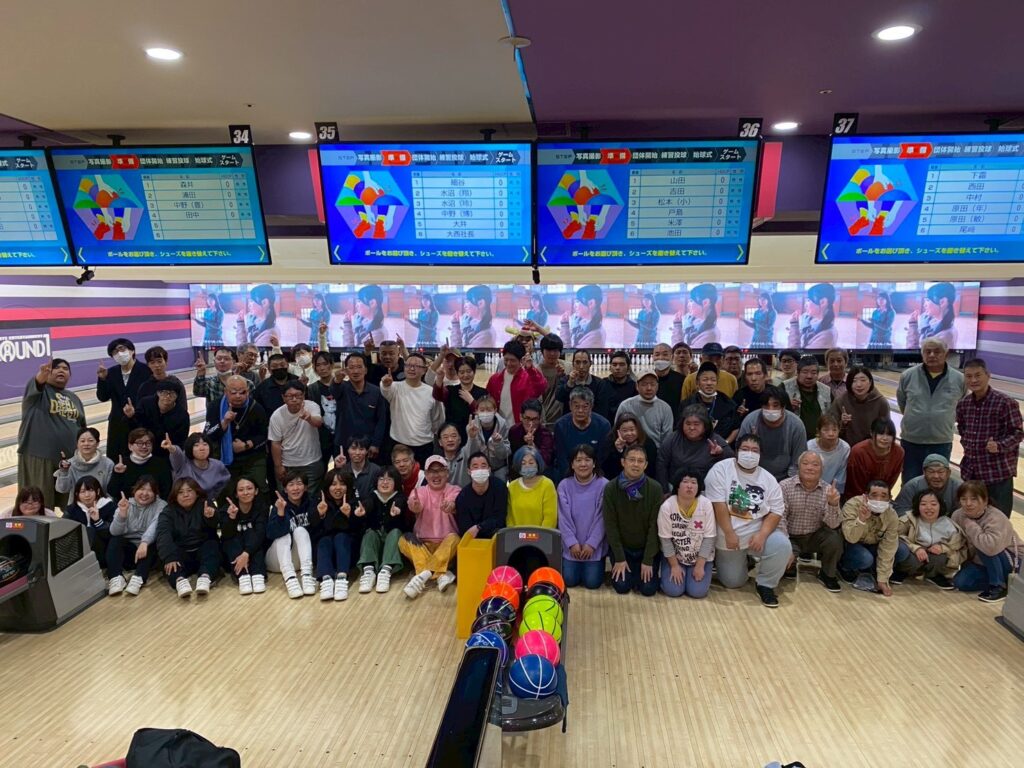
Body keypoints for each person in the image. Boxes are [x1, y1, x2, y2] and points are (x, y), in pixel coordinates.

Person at [706, 435, 789, 607]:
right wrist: (729, 533)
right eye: (745, 449)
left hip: (756, 534)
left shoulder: (768, 479)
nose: (749, 454)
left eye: (754, 450)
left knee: (782, 545)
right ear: (736, 451)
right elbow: (718, 504)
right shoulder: (720, 469)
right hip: (728, 538)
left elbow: (776, 511)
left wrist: (762, 535)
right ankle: (744, 561)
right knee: (733, 582)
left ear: (760, 454)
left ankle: (765, 584)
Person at [956, 358, 1023, 517]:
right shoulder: (964, 404)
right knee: (971, 517)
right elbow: (962, 429)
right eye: (969, 376)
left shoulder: (1005, 403)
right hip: (971, 472)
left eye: (978, 375)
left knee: (998, 520)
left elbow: (1018, 433)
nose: (973, 380)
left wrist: (999, 445)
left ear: (988, 375)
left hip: (997, 473)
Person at [18, 359, 86, 510]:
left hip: (69, 461)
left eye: (65, 368)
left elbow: (82, 428)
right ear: (48, 372)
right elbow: (37, 383)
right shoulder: (37, 394)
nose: (61, 370)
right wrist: (41, 376)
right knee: (40, 506)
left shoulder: (74, 398)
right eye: (56, 368)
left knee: (71, 506)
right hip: (40, 458)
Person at [897, 337, 966, 481]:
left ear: (946, 354)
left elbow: (964, 408)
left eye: (937, 351)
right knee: (910, 482)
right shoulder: (908, 376)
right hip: (911, 441)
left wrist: (945, 421)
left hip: (941, 442)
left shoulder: (959, 379)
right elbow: (902, 402)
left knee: (937, 483)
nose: (932, 355)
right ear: (922, 354)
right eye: (928, 352)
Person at [603, 445, 662, 597]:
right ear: (623, 462)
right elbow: (611, 526)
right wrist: (620, 558)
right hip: (623, 549)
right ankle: (632, 574)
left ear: (646, 465)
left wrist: (648, 560)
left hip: (646, 549)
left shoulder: (655, 488)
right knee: (622, 587)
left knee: (648, 589)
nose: (636, 464)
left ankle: (639, 574)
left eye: (640, 461)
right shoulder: (611, 488)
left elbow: (654, 527)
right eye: (632, 460)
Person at [779, 452, 844, 592]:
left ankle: (827, 574)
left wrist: (833, 504)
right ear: (798, 466)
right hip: (790, 536)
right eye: (805, 463)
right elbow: (780, 518)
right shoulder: (784, 486)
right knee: (782, 568)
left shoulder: (829, 490)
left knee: (834, 538)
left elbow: (833, 525)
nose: (810, 467)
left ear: (822, 469)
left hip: (815, 536)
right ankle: (791, 565)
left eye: (815, 464)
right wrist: (785, 544)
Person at [399, 455, 461, 598]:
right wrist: (415, 506)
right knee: (403, 540)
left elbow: (453, 502)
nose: (436, 475)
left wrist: (450, 506)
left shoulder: (455, 490)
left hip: (446, 545)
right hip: (423, 545)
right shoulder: (419, 491)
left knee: (455, 539)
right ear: (426, 475)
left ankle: (423, 575)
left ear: (447, 473)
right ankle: (439, 573)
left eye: (440, 470)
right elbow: (415, 504)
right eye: (432, 471)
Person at [951, 481, 1023, 602]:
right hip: (982, 561)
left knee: (984, 544)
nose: (968, 503)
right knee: (961, 582)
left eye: (974, 499)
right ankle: (1007, 581)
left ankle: (998, 586)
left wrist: (970, 524)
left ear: (985, 501)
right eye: (963, 499)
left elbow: (990, 548)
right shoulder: (957, 515)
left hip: (1013, 561)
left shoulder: (996, 517)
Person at [155, 478, 221, 598]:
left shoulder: (205, 504)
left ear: (197, 492)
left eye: (189, 491)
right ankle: (180, 581)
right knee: (169, 560)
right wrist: (169, 557)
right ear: (175, 496)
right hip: (181, 550)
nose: (185, 495)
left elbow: (215, 525)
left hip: (203, 547)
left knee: (212, 547)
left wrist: (211, 517)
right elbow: (163, 534)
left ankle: (205, 578)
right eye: (180, 492)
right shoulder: (168, 511)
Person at [204, 375, 269, 494]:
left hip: (252, 457)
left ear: (248, 392)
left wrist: (246, 445)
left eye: (242, 392)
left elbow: (264, 435)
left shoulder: (256, 408)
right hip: (224, 460)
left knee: (259, 491)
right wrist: (224, 422)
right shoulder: (215, 406)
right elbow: (208, 435)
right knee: (226, 494)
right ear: (226, 392)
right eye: (233, 392)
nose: (238, 396)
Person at [658, 468, 716, 599]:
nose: (689, 486)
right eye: (685, 482)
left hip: (700, 558)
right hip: (675, 557)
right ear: (677, 486)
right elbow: (665, 540)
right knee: (673, 591)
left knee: (697, 592)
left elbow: (709, 538)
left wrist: (700, 566)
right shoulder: (667, 506)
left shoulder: (706, 504)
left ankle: (695, 573)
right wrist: (674, 566)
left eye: (694, 482)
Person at [557, 445, 608, 589]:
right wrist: (571, 543)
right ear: (572, 464)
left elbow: (602, 519)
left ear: (594, 463)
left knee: (592, 582)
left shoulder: (604, 485)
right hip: (571, 547)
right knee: (569, 580)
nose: (583, 464)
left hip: (594, 547)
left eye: (587, 460)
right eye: (578, 460)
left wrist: (592, 544)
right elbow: (563, 518)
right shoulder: (564, 485)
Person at [892, 490, 965, 590]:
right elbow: (896, 535)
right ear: (917, 505)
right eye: (923, 504)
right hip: (913, 555)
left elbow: (958, 542)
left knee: (941, 558)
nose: (929, 507)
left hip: (934, 556)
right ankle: (902, 572)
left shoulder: (948, 523)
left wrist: (942, 548)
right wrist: (916, 548)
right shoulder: (909, 519)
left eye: (933, 504)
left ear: (940, 505)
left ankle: (934, 575)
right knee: (910, 558)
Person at [105, 476, 165, 596]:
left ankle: (138, 578)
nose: (145, 493)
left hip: (148, 552)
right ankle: (116, 577)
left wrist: (144, 542)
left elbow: (155, 526)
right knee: (115, 540)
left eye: (150, 490)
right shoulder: (125, 503)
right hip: (130, 551)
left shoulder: (161, 505)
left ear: (155, 493)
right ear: (134, 490)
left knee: (153, 543)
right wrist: (122, 514)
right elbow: (114, 532)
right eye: (141, 489)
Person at [839, 480, 899, 596]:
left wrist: (882, 580)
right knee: (865, 558)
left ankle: (873, 573)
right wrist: (861, 520)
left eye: (883, 496)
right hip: (850, 544)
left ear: (890, 499)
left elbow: (888, 548)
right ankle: (843, 568)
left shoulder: (891, 515)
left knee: (900, 550)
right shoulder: (853, 505)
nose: (879, 500)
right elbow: (850, 538)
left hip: (872, 544)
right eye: (874, 495)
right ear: (866, 496)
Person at [265, 471, 319, 599]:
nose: (295, 488)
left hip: (299, 560)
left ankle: (307, 576)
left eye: (299, 484)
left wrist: (319, 515)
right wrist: (280, 513)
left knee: (300, 531)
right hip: (276, 560)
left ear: (305, 487)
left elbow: (317, 532)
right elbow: (271, 534)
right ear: (285, 489)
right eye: (291, 484)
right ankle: (290, 579)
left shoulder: (312, 502)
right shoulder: (279, 504)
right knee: (283, 535)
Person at [315, 469, 365, 601]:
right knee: (324, 540)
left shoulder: (355, 502)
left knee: (341, 537)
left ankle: (342, 579)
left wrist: (349, 516)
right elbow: (314, 532)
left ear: (348, 486)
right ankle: (326, 579)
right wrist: (321, 515)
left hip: (348, 553)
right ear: (327, 487)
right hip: (327, 554)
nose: (338, 488)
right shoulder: (320, 503)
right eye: (333, 484)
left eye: (342, 484)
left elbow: (360, 532)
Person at [97, 338, 152, 460]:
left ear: (132, 351)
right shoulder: (111, 373)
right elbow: (103, 397)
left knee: (139, 458)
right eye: (115, 352)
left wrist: (135, 412)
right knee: (116, 459)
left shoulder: (146, 371)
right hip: (118, 424)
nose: (119, 353)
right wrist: (102, 379)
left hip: (139, 422)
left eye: (122, 349)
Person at [656, 404, 733, 492]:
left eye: (696, 424)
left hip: (705, 490)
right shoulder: (673, 438)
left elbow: (732, 462)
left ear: (705, 425)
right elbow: (661, 464)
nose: (692, 427)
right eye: (688, 424)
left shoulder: (715, 440)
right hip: (674, 488)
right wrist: (665, 491)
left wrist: (720, 453)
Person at [356, 466, 409, 593]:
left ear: (396, 482)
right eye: (381, 479)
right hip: (376, 540)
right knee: (369, 534)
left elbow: (400, 502)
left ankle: (385, 570)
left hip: (391, 543)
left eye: (389, 479)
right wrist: (363, 509)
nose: (385, 482)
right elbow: (368, 503)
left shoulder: (399, 496)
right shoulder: (373, 495)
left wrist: (397, 510)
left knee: (395, 533)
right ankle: (369, 570)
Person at [736, 386, 806, 481]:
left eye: (775, 405)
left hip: (784, 478)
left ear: (783, 407)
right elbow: (740, 452)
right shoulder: (750, 421)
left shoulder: (796, 425)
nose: (770, 409)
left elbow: (797, 462)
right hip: (753, 476)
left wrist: (788, 483)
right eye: (766, 405)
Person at [269, 381, 325, 497]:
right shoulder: (277, 415)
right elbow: (275, 443)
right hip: (288, 464)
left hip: (311, 462)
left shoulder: (312, 406)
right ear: (283, 397)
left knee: (312, 497)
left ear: (303, 395)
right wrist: (278, 466)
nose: (294, 399)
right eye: (290, 396)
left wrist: (309, 418)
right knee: (288, 497)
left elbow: (319, 422)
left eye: (298, 395)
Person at [381, 352, 436, 466]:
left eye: (416, 366)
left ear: (424, 370)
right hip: (399, 443)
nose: (411, 368)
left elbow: (436, 419)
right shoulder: (395, 387)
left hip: (424, 445)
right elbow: (386, 390)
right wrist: (385, 384)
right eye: (408, 365)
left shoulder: (431, 391)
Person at [332, 352, 388, 462]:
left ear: (365, 370)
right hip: (344, 444)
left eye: (359, 367)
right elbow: (334, 390)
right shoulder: (341, 388)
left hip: (368, 446)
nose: (355, 371)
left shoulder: (376, 392)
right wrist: (336, 380)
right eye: (351, 367)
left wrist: (376, 443)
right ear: (346, 370)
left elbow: (381, 420)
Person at [219, 477, 267, 596]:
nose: (245, 492)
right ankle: (242, 575)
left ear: (256, 491)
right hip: (232, 551)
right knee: (233, 540)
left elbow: (261, 533)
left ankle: (257, 574)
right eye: (241, 490)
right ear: (236, 494)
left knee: (253, 535)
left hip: (252, 551)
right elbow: (226, 535)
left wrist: (246, 553)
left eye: (249, 488)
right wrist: (232, 518)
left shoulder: (262, 507)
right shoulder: (227, 509)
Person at [553, 387, 611, 479]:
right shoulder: (560, 426)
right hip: (568, 475)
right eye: (576, 406)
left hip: (595, 475)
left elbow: (601, 458)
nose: (580, 410)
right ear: (570, 406)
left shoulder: (603, 425)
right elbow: (562, 458)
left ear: (591, 406)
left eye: (585, 407)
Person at [486, 340, 546, 426]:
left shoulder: (528, 378)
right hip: (499, 429)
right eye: (506, 360)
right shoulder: (494, 379)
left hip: (521, 429)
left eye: (512, 360)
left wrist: (531, 369)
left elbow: (541, 387)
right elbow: (488, 403)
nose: (508, 363)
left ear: (521, 360)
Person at [829, 366, 890, 448]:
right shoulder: (840, 401)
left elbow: (886, 431)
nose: (859, 385)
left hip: (872, 450)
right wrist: (842, 423)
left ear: (870, 382)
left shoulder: (881, 402)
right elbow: (830, 430)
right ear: (849, 384)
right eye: (854, 381)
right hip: (846, 449)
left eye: (863, 380)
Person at [845, 419, 904, 501]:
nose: (885, 438)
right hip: (857, 497)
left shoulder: (899, 452)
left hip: (882, 498)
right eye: (881, 434)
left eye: (889, 434)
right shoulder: (858, 451)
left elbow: (892, 480)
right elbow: (854, 483)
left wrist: (882, 497)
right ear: (872, 433)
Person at [615, 369, 675, 450]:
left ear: (657, 386)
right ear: (637, 386)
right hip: (629, 451)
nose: (649, 388)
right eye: (644, 384)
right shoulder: (625, 405)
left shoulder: (665, 408)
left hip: (656, 453)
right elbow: (617, 431)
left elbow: (667, 439)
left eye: (652, 384)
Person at [63, 476, 114, 570]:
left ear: (98, 491)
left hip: (103, 551)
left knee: (90, 530)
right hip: (76, 552)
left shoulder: (109, 506)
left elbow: (111, 533)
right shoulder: (71, 509)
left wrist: (98, 520)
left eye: (90, 490)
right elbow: (64, 531)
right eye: (82, 492)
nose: (87, 495)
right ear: (77, 494)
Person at [681, 362, 739, 444]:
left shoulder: (728, 403)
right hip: (693, 446)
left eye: (713, 380)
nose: (709, 383)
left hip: (721, 446)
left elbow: (736, 428)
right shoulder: (687, 404)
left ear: (717, 382)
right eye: (705, 380)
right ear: (697, 383)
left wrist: (724, 444)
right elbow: (680, 429)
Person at [126, 381, 190, 457]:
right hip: (142, 447)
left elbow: (181, 441)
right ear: (158, 393)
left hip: (165, 453)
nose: (168, 396)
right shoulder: (145, 403)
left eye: (172, 393)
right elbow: (134, 427)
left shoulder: (182, 415)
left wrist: (171, 447)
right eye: (164, 392)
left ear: (177, 396)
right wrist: (131, 416)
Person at [433, 354, 486, 442]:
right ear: (457, 374)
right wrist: (439, 379)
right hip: (453, 437)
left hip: (475, 437)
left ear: (474, 372)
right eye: (461, 372)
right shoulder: (450, 390)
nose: (465, 375)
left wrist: (472, 402)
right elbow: (437, 395)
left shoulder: (483, 393)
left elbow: (484, 415)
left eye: (469, 371)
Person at [456, 452, 508, 540]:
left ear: (489, 470)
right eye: (475, 467)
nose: (480, 470)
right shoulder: (463, 496)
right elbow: (465, 529)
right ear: (469, 471)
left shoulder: (499, 487)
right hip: (473, 540)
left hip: (496, 536)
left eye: (483, 466)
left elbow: (500, 518)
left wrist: (480, 527)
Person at [108, 428, 172, 500]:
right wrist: (117, 474)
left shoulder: (160, 464)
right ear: (130, 446)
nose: (144, 446)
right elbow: (112, 492)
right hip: (127, 505)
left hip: (155, 504)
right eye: (140, 443)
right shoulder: (122, 464)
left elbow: (166, 491)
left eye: (148, 443)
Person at [166, 432, 231, 501]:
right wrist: (171, 448)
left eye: (205, 444)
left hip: (205, 503)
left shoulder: (217, 465)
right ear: (190, 448)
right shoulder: (183, 463)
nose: (202, 448)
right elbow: (176, 454)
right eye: (196, 445)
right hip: (181, 503)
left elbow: (224, 484)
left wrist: (212, 498)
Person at [54, 427, 115, 498]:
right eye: (82, 441)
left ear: (97, 443)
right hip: (77, 504)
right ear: (77, 444)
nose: (86, 444)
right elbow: (62, 490)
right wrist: (64, 472)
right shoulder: (69, 464)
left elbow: (111, 491)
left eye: (90, 441)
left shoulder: (107, 464)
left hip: (102, 503)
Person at [894, 454, 961, 516]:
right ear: (924, 472)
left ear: (948, 473)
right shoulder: (912, 486)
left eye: (941, 472)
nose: (936, 476)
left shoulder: (958, 487)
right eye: (931, 471)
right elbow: (900, 511)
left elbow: (964, 512)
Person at [783, 355, 832, 440]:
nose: (809, 376)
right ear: (797, 373)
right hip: (791, 438)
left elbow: (832, 416)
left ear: (818, 374)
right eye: (805, 372)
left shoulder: (826, 391)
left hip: (820, 440)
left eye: (813, 373)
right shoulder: (784, 387)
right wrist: (786, 405)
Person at [507, 446, 558, 528]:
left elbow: (550, 518)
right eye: (523, 463)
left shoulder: (547, 485)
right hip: (517, 535)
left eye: (531, 463)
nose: (527, 466)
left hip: (542, 534)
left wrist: (541, 534)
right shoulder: (512, 487)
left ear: (538, 464)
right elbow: (509, 517)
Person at [556, 349, 612, 421]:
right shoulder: (565, 380)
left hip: (593, 423)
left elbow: (602, 410)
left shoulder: (600, 384)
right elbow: (559, 397)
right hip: (570, 423)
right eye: (578, 362)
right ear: (573, 364)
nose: (581, 366)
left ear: (590, 364)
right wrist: (569, 384)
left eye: (585, 362)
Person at [305, 351, 339, 466]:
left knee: (342, 470)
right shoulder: (312, 389)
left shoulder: (342, 385)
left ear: (331, 365)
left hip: (341, 436)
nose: (322, 368)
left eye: (325, 364)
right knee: (320, 470)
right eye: (318, 365)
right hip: (321, 437)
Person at [465, 397, 510, 483]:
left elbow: (504, 455)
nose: (485, 413)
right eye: (482, 410)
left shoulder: (503, 425)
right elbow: (470, 454)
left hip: (499, 467)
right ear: (476, 411)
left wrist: (498, 443)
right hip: (480, 469)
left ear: (495, 410)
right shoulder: (471, 427)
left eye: (489, 410)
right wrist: (472, 437)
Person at [601, 414, 657, 482]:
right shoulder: (610, 442)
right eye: (625, 430)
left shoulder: (648, 444)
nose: (629, 433)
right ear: (618, 431)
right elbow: (606, 468)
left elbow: (652, 469)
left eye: (632, 430)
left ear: (638, 429)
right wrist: (618, 450)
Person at [907, 282, 959, 350]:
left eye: (928, 300)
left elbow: (913, 353)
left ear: (942, 302)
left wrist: (913, 325)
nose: (924, 305)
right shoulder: (932, 322)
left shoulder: (946, 335)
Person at [805, 414, 849, 493]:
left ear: (839, 430)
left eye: (834, 430)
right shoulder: (809, 447)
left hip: (832, 490)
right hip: (810, 488)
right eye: (826, 430)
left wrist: (834, 493)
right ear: (818, 431)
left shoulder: (845, 448)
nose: (831, 434)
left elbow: (841, 476)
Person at [508, 399, 555, 472]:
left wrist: (532, 445)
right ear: (520, 417)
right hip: (518, 471)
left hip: (541, 472)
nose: (531, 423)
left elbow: (545, 461)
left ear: (540, 419)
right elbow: (512, 458)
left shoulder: (546, 435)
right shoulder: (514, 431)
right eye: (527, 418)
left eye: (535, 419)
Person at [789, 283, 838, 349]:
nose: (805, 305)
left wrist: (794, 325)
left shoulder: (827, 335)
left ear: (823, 302)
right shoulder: (811, 321)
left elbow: (793, 353)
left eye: (809, 300)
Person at [337, 436, 382, 502]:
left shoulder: (376, 470)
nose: (357, 453)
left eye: (361, 449)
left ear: (367, 451)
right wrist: (338, 469)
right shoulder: (343, 469)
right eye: (353, 449)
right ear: (348, 450)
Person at [673, 283, 719, 348]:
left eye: (691, 301)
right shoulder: (694, 321)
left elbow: (679, 351)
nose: (688, 305)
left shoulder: (709, 335)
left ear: (705, 303)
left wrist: (677, 326)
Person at [536, 333, 566, 426]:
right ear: (542, 351)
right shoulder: (536, 371)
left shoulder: (568, 367)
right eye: (548, 350)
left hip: (564, 420)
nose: (552, 353)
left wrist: (563, 377)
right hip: (544, 421)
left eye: (555, 350)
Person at [652, 342, 685, 418]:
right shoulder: (646, 379)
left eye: (665, 354)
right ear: (652, 357)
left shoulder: (682, 380)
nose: (661, 358)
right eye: (657, 354)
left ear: (672, 357)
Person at [435, 423, 470, 487]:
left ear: (459, 439)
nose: (450, 440)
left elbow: (472, 445)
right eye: (445, 437)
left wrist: (472, 437)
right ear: (440, 442)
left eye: (454, 436)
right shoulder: (436, 461)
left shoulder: (466, 453)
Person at [604, 350, 637, 418]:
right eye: (614, 365)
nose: (617, 368)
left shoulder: (635, 386)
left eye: (622, 365)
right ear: (610, 368)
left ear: (628, 368)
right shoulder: (602, 384)